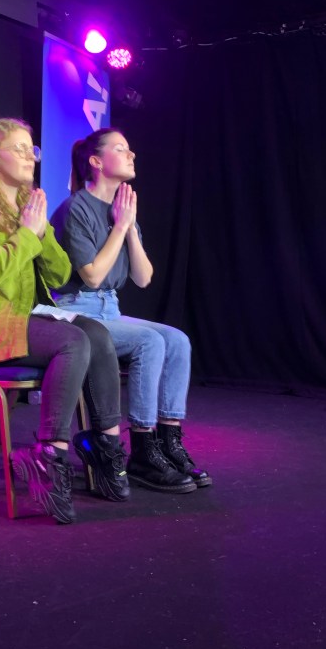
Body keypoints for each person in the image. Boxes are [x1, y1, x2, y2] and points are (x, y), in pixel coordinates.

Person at [0, 117, 129, 525]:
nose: (31, 157)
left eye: (33, 150)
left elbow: (60, 276)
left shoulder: (30, 210)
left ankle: (105, 446)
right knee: (71, 341)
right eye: (20, 149)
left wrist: (40, 232)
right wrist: (27, 234)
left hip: (22, 320)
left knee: (95, 333)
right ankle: (49, 454)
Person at [50, 127, 212, 492]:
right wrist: (120, 226)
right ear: (96, 161)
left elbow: (143, 277)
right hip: (78, 311)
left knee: (178, 340)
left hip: (110, 308)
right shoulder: (76, 208)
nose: (131, 154)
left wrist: (130, 229)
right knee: (149, 342)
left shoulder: (121, 210)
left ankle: (168, 443)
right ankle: (142, 448)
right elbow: (92, 276)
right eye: (121, 148)